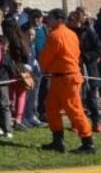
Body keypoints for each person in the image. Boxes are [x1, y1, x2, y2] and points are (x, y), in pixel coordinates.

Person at [39, 8, 96, 154]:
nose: (47, 21)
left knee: (74, 110)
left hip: (65, 78)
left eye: (50, 18)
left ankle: (88, 142)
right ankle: (58, 141)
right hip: (64, 77)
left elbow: (46, 57)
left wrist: (43, 69)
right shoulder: (71, 34)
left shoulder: (55, 35)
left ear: (59, 20)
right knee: (52, 108)